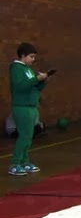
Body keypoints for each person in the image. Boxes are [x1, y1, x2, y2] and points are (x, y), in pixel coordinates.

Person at [8, 43, 49, 175]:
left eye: (34, 57)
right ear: (22, 55)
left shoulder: (28, 70)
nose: (33, 59)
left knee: (29, 136)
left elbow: (34, 88)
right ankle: (15, 163)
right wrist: (36, 79)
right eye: (31, 56)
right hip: (22, 107)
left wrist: (42, 81)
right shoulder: (16, 68)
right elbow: (21, 86)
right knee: (24, 136)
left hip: (31, 106)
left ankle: (24, 161)